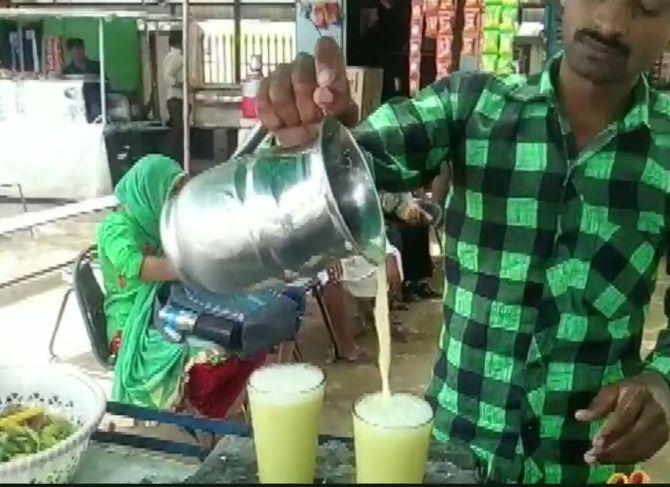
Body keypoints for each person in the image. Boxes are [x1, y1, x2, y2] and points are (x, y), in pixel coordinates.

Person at [256, 1, 670, 482]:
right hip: (453, 456)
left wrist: (663, 381)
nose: (611, 23)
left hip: (589, 462)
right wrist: (316, 136)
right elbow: (350, 165)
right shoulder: (471, 105)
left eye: (648, 6)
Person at [98, 155, 305, 418]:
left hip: (167, 301)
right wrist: (189, 268)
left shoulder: (160, 221)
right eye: (170, 191)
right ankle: (220, 411)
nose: (174, 200)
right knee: (214, 353)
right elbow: (137, 267)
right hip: (132, 324)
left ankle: (248, 401)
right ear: (150, 190)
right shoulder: (116, 227)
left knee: (258, 317)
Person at [380, 191, 440, 301]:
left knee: (423, 217)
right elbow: (384, 203)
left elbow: (405, 192)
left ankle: (420, 282)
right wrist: (404, 212)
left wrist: (413, 210)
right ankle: (405, 286)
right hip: (381, 212)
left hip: (401, 205)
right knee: (397, 233)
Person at [63, 38, 103, 122]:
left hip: (95, 100)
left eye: (80, 48)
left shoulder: (96, 66)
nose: (79, 52)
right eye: (76, 49)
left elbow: (105, 84)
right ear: (70, 52)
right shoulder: (67, 71)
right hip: (75, 100)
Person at [163, 31, 185, 164]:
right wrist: (180, 83)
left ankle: (173, 158)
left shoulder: (169, 56)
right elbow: (167, 76)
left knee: (177, 131)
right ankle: (170, 158)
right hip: (177, 98)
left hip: (172, 98)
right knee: (178, 132)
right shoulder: (177, 57)